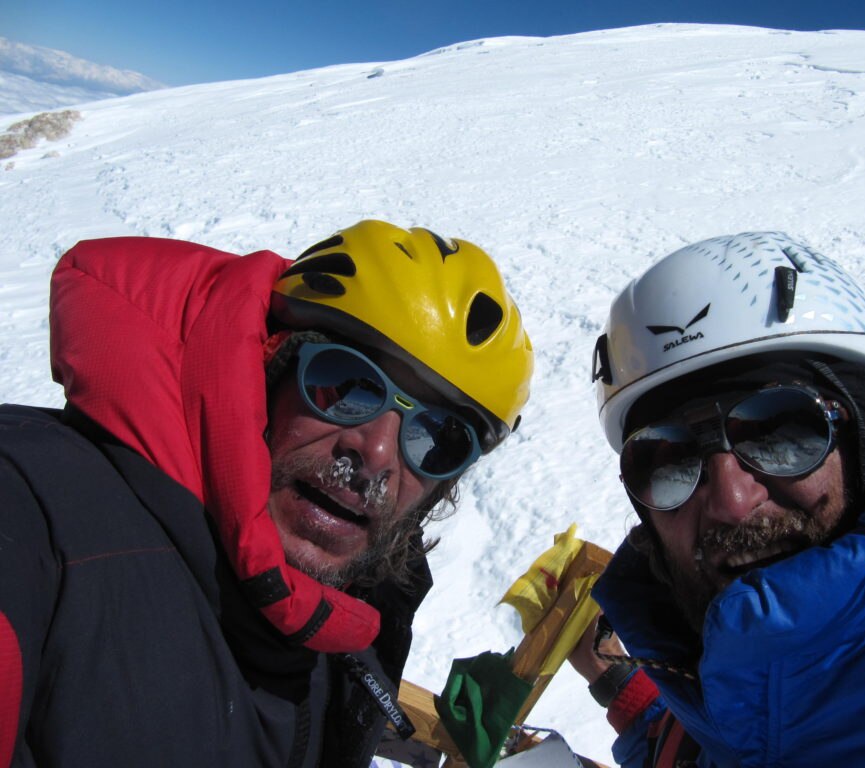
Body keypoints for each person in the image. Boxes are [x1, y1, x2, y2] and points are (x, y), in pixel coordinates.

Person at [0, 220, 533, 768]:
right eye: (347, 384)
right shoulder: (33, 515)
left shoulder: (351, 618)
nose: (375, 453)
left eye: (438, 439)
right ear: (266, 367)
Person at [570, 232, 865, 766]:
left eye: (781, 432)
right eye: (668, 460)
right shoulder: (735, 663)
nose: (732, 502)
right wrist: (622, 687)